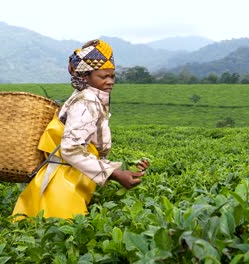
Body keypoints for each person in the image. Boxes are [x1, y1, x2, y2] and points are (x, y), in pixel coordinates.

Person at [12, 39, 149, 219]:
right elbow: (72, 149)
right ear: (85, 77)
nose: (110, 82)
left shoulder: (87, 97)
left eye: (112, 76)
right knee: (61, 232)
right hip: (62, 185)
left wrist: (124, 167)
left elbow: (89, 146)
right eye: (103, 76)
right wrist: (116, 174)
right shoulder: (86, 102)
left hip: (70, 178)